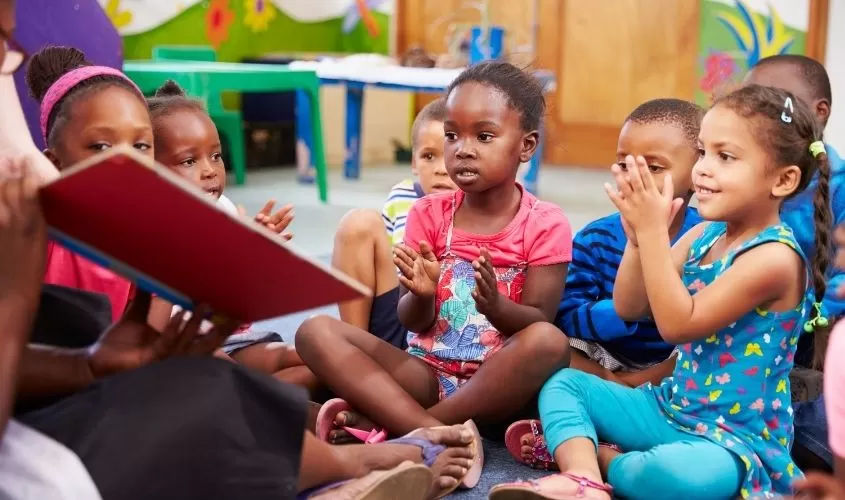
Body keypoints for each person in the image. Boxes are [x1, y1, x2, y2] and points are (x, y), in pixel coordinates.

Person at [0, 35, 479, 500]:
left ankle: (348, 461)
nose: (125, 161)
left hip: (111, 386)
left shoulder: (142, 233)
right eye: (102, 148)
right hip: (51, 441)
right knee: (229, 383)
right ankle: (355, 463)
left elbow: (132, 349)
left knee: (231, 377)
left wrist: (96, 361)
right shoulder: (30, 237)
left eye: (140, 147)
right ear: (53, 161)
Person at [492, 84, 832, 499]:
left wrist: (653, 235)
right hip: (668, 408)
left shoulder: (774, 258)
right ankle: (581, 478)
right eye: (704, 152)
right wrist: (637, 241)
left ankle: (604, 458)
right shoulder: (707, 234)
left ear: (783, 180)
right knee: (565, 384)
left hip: (730, 440)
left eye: (725, 157)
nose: (702, 169)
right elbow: (630, 306)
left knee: (678, 477)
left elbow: (677, 326)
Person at [295, 60, 573, 493]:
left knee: (550, 343)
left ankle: (401, 431)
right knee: (314, 331)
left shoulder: (545, 223)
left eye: (483, 136)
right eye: (451, 135)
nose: (462, 149)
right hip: (426, 373)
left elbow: (540, 320)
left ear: (525, 145)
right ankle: (435, 435)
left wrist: (497, 307)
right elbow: (413, 323)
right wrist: (422, 294)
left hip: (498, 385)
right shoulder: (428, 213)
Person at [145, 79, 317, 391]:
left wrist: (257, 252)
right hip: (180, 349)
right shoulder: (149, 229)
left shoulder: (223, 208)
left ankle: (268, 400)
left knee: (317, 360)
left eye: (215, 155)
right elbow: (152, 333)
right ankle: (273, 404)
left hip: (233, 338)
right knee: (229, 378)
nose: (210, 170)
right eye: (189, 160)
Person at [745, 54, 845, 475]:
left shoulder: (837, 187)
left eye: (776, 101)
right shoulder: (751, 177)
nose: (762, 112)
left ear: (819, 111)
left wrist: (812, 321)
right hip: (750, 334)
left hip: (816, 348)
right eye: (754, 102)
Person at [556, 98, 703, 384]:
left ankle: (629, 389)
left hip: (673, 362)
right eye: (624, 164)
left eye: (655, 168)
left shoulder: (708, 236)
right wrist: (624, 319)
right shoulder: (596, 239)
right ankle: (615, 386)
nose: (634, 177)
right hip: (602, 360)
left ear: (698, 173)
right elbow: (566, 315)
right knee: (552, 344)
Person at [332, 98, 456, 349]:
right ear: (413, 162)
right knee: (358, 222)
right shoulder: (401, 196)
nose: (440, 169)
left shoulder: (478, 204)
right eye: (428, 156)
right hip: (400, 314)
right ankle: (355, 350)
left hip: (453, 324)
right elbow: (380, 266)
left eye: (448, 156)